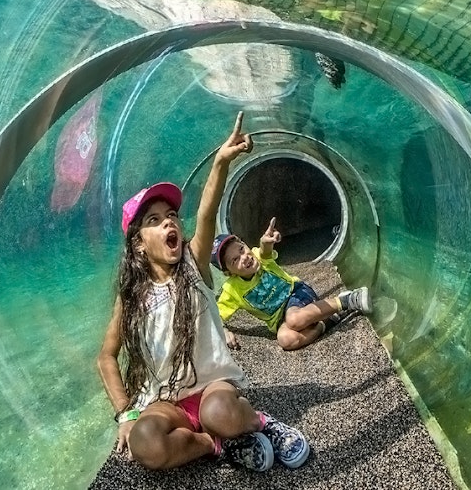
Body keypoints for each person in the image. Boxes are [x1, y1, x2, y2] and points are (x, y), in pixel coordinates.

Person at [96, 112, 310, 472]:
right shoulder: (131, 296)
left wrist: (221, 162)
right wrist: (125, 413)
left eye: (172, 216)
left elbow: (208, 210)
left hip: (212, 388)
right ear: (138, 246)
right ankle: (213, 444)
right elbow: (106, 357)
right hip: (166, 402)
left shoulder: (194, 266)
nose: (169, 222)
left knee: (220, 412)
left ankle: (259, 423)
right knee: (145, 444)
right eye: (154, 220)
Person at [212, 217, 372, 351]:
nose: (244, 257)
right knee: (286, 340)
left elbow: (265, 251)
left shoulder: (259, 258)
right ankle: (327, 321)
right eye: (235, 260)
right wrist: (223, 331)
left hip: (296, 294)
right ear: (228, 273)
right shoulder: (231, 290)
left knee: (294, 319)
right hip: (280, 319)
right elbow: (215, 315)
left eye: (241, 249)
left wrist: (265, 242)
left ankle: (347, 300)